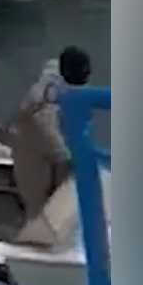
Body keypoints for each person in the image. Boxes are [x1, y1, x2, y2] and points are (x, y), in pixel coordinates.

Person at [10, 46, 92, 243]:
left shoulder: (69, 82)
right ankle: (31, 248)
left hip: (49, 141)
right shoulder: (43, 104)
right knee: (38, 208)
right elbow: (60, 151)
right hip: (30, 150)